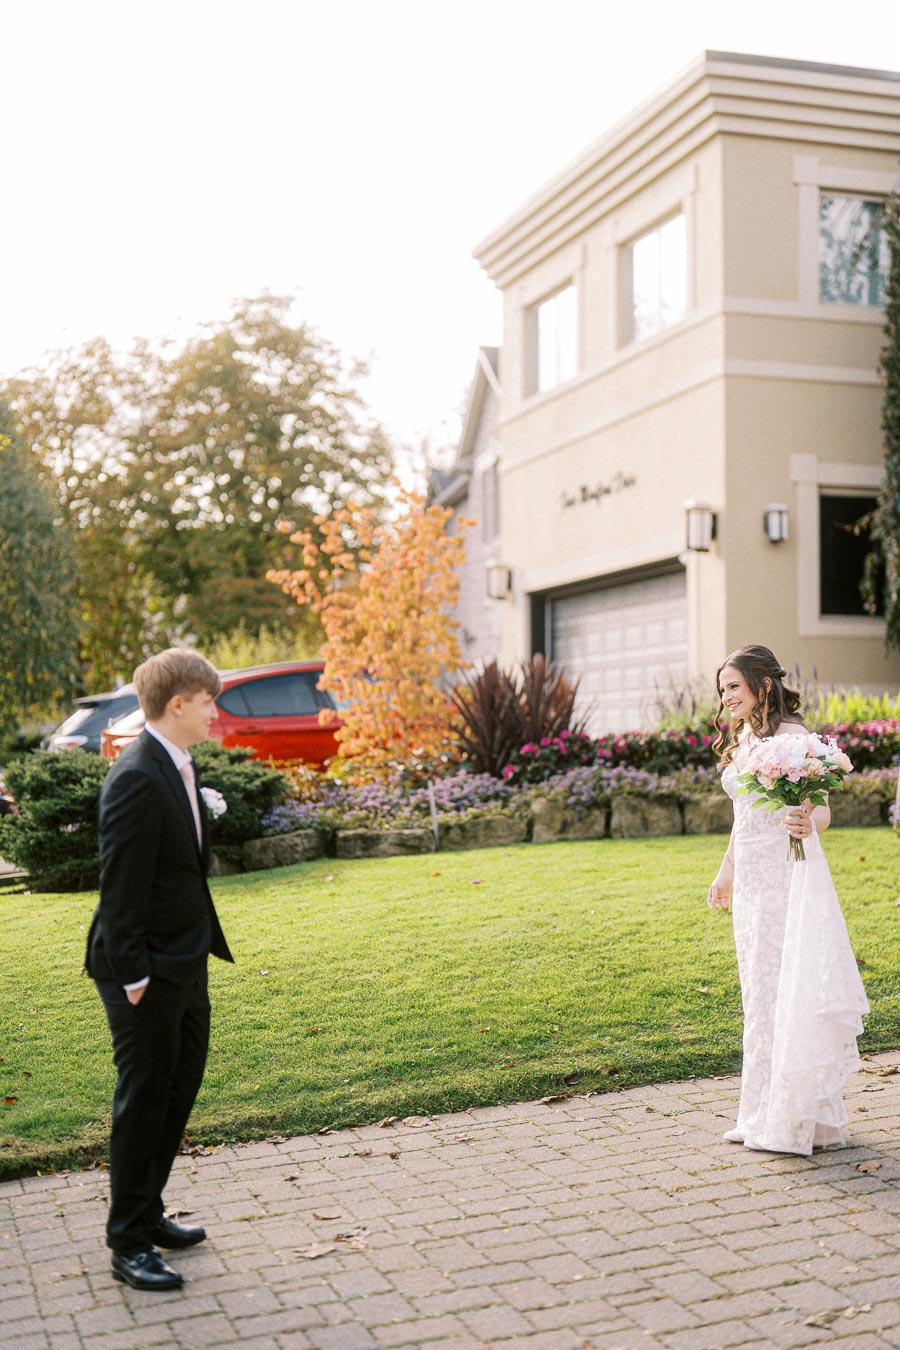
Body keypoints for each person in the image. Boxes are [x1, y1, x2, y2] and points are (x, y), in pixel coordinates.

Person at [84, 649, 234, 1291]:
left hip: (185, 958)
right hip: (141, 971)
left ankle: (149, 1213)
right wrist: (135, 978)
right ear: (178, 704)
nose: (214, 713)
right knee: (145, 1101)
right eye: (208, 702)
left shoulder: (176, 763)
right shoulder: (138, 775)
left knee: (177, 1091)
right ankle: (128, 1243)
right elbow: (119, 888)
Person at [706, 644, 868, 1156]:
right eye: (722, 689)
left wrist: (805, 821)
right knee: (758, 990)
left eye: (733, 685)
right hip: (752, 877)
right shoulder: (745, 737)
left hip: (784, 872)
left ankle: (796, 1116)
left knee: (786, 984)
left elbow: (819, 812)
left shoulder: (793, 738)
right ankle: (758, 1112)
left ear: (764, 685)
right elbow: (743, 817)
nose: (725, 696)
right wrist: (725, 872)